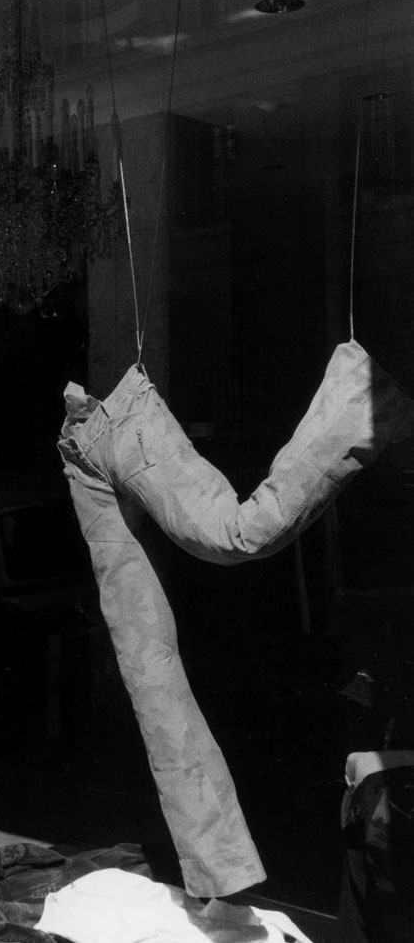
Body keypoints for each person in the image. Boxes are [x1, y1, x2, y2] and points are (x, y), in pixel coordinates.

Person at [57, 339, 414, 898]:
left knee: (170, 633)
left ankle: (363, 397)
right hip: (89, 450)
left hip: (107, 432)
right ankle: (220, 867)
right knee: (150, 666)